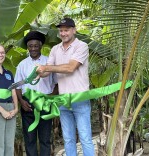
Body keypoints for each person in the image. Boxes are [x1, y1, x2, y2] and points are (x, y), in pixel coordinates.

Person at [36, 17, 95, 156]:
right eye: (61, 30)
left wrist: (46, 67)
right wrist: (39, 72)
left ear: (74, 30)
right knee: (68, 139)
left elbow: (70, 68)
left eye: (66, 30)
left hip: (79, 98)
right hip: (62, 99)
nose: (63, 33)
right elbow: (47, 72)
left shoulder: (82, 46)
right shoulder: (55, 49)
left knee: (85, 138)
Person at [14, 31, 57, 156]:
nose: (33, 48)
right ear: (28, 47)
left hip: (45, 104)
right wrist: (22, 101)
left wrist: (49, 99)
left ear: (40, 46)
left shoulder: (48, 63)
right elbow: (17, 85)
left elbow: (56, 84)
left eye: (35, 46)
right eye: (30, 46)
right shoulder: (22, 65)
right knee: (30, 139)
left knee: (45, 140)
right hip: (28, 105)